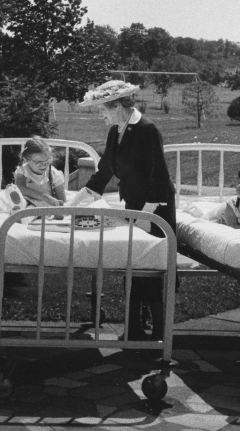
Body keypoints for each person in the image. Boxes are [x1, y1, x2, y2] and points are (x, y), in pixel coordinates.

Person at [74, 79, 176, 342]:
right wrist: (75, 203)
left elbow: (160, 178)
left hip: (155, 209)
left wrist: (146, 217)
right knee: (134, 266)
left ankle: (159, 335)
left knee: (150, 270)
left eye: (103, 109)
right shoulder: (116, 130)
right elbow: (104, 171)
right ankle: (134, 329)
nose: (100, 114)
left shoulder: (147, 129)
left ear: (118, 105)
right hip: (135, 206)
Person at [13, 136, 67, 207]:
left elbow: (62, 201)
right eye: (40, 163)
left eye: (48, 161)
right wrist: (45, 197)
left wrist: (58, 207)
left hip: (47, 207)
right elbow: (20, 188)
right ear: (27, 160)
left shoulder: (54, 174)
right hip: (27, 206)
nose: (44, 165)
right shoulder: (23, 171)